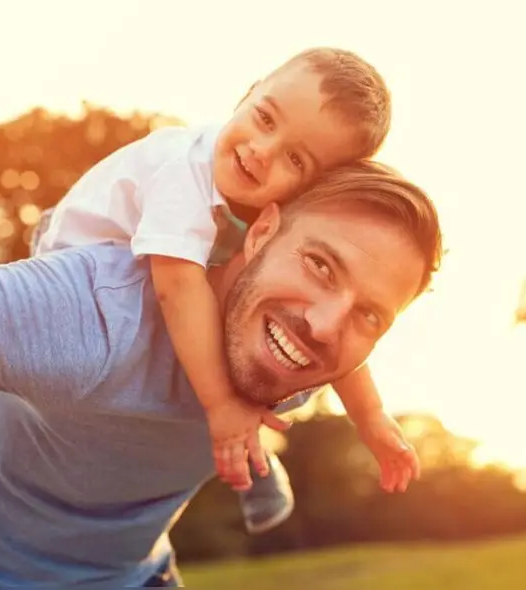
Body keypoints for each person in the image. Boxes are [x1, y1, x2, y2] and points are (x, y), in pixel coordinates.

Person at [0, 161, 443, 587]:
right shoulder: (89, 319)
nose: (327, 325)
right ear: (260, 231)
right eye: (321, 265)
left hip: (133, 576)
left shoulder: (299, 346)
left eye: (371, 316)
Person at [33, 46, 418, 535]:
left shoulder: (266, 203)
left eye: (296, 158)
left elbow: (335, 312)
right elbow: (176, 286)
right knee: (211, 359)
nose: (262, 150)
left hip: (152, 279)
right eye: (265, 118)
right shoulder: (183, 170)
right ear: (249, 92)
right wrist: (222, 406)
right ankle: (240, 451)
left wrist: (371, 417)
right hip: (79, 273)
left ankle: (249, 460)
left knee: (267, 340)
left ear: (311, 190)